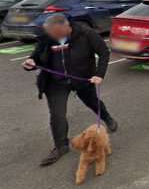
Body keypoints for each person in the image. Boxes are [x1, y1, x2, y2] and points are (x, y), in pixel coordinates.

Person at [22, 13, 118, 166]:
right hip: (56, 83)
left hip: (82, 78)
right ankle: (61, 146)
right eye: (50, 33)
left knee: (93, 102)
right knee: (57, 115)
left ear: (66, 26)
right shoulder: (47, 37)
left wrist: (99, 75)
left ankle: (107, 118)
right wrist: (30, 62)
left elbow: (103, 52)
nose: (51, 36)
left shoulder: (85, 33)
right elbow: (36, 56)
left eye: (55, 33)